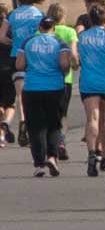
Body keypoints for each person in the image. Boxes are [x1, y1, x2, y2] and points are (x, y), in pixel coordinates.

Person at [15, 16, 72, 176]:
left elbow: (19, 64)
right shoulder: (60, 43)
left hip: (32, 87)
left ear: (39, 27)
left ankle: (39, 164)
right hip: (55, 87)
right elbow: (64, 64)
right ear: (52, 28)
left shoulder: (27, 41)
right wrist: (64, 70)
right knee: (54, 124)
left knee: (35, 126)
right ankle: (53, 157)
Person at [75, 6, 105, 177]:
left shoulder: (82, 36)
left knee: (92, 119)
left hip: (88, 82)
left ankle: (91, 154)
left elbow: (75, 56)